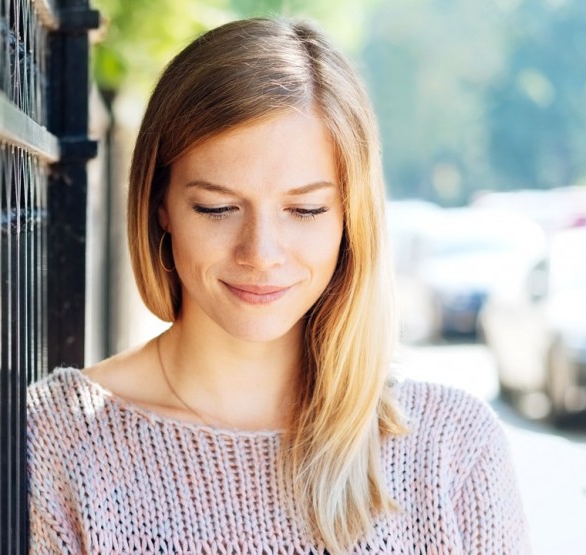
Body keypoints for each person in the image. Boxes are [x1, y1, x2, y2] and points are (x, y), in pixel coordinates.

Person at [26, 17, 529, 554]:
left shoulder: (454, 448)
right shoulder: (60, 443)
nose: (260, 253)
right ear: (161, 205)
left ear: (349, 220)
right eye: (217, 207)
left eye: (305, 209)